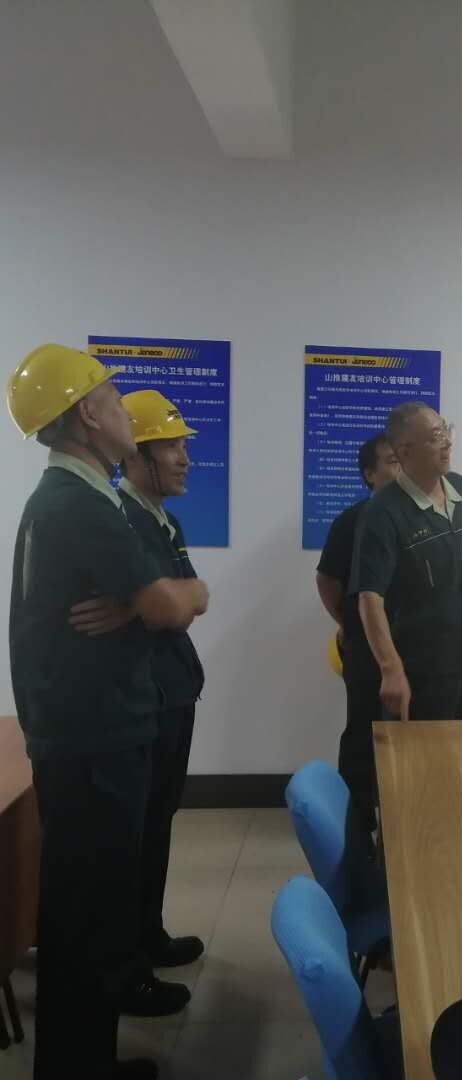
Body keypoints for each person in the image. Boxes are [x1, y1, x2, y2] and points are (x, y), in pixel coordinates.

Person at [6, 344, 210, 1080]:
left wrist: (164, 600)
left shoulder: (73, 497)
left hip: (87, 732)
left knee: (84, 909)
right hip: (93, 738)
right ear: (88, 415)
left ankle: (81, 1061)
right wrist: (162, 601)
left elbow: (177, 598)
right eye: (116, 400)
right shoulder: (81, 503)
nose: (128, 412)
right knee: (88, 913)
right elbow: (172, 603)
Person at [105, 390, 205, 1014]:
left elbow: (190, 600)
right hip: (145, 698)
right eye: (172, 446)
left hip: (174, 691)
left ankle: (149, 933)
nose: (185, 458)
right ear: (137, 457)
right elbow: (169, 608)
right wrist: (182, 598)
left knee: (158, 821)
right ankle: (129, 968)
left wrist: (184, 597)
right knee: (136, 834)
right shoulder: (124, 520)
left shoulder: (163, 520)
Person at [351, 402, 462, 722]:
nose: (447, 442)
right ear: (406, 451)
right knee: (422, 755)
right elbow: (369, 597)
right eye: (435, 436)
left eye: (446, 431)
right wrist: (391, 668)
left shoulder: (461, 488)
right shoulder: (382, 512)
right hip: (422, 674)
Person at [315, 433, 399, 841]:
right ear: (369, 474)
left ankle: (404, 822)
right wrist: (350, 624)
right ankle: (358, 828)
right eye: (391, 461)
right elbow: (327, 581)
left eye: (403, 459)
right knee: (363, 733)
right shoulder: (351, 521)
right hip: (365, 649)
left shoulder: (418, 517)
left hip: (415, 648)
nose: (400, 468)